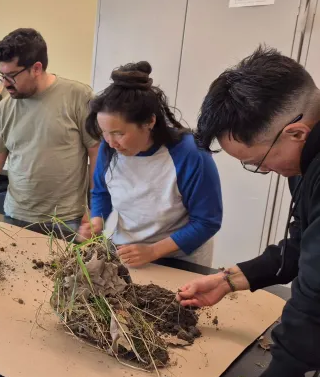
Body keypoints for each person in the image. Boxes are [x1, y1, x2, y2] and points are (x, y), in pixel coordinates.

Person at [177, 47, 318, 377]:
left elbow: (316, 284)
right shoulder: (305, 157)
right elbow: (300, 245)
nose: (266, 172)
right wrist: (229, 279)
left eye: (258, 162)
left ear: (296, 132)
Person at [0, 28, 99, 231]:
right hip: (16, 215)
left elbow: (96, 153)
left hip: (65, 219)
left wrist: (96, 209)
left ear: (36, 68)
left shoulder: (79, 96)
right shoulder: (5, 107)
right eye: (2, 75)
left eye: (11, 76)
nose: (5, 84)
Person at [78, 61, 223, 267]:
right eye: (105, 133)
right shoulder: (109, 147)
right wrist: (97, 221)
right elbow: (102, 192)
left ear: (150, 122)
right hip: (128, 251)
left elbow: (207, 221)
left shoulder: (190, 154)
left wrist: (154, 250)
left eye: (119, 133)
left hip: (179, 257)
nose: (110, 142)